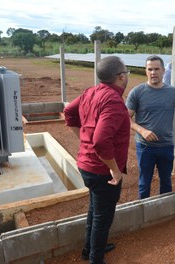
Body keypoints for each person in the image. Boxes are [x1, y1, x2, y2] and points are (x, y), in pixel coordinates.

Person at [64, 56, 131, 264]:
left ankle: (90, 249)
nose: (127, 76)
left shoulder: (90, 92)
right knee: (103, 217)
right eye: (126, 73)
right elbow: (101, 141)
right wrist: (115, 170)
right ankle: (96, 258)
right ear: (121, 77)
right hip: (102, 171)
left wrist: (83, 140)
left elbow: (68, 111)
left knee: (95, 209)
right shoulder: (114, 101)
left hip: (87, 165)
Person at [126, 55, 175, 199]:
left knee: (166, 182)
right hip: (145, 146)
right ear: (146, 71)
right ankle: (145, 213)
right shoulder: (137, 92)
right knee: (144, 183)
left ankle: (165, 213)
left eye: (156, 69)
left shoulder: (172, 92)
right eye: (150, 69)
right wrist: (142, 130)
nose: (153, 72)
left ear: (163, 71)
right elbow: (125, 117)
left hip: (166, 146)